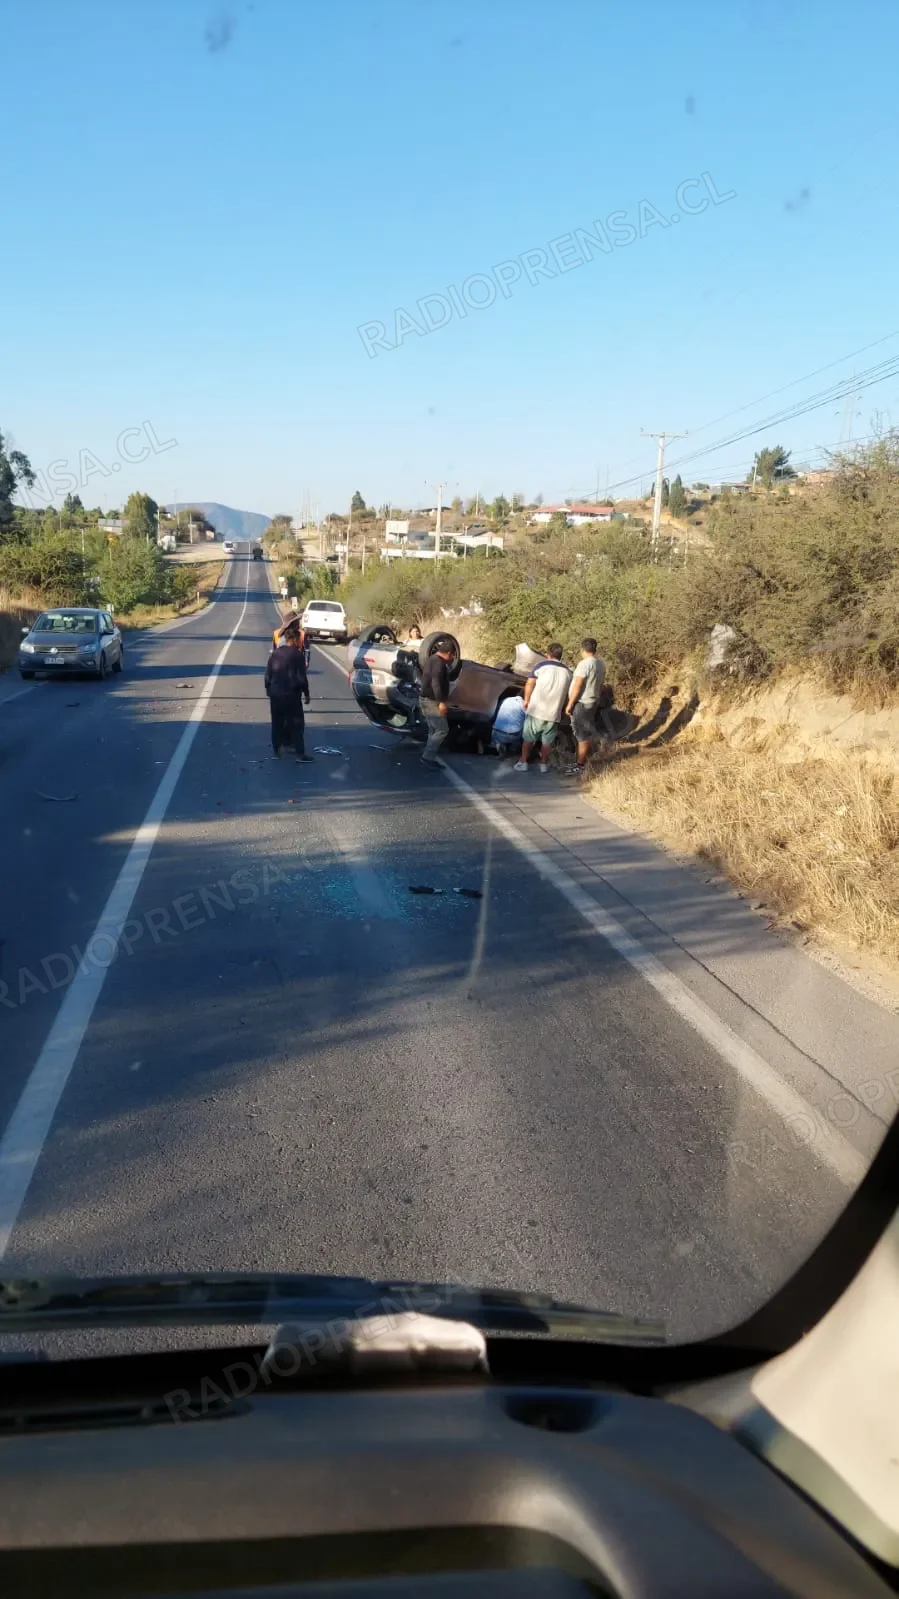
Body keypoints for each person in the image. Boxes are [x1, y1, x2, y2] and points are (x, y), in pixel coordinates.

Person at [514, 643, 571, 773]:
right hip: (553, 713)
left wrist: (527, 700)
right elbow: (567, 693)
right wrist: (563, 708)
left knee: (528, 738)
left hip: (536, 710)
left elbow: (530, 683)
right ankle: (544, 764)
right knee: (547, 741)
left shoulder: (541, 666)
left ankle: (523, 762)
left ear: (548, 654)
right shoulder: (568, 672)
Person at [264, 630, 312, 761]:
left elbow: (268, 674)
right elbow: (302, 678)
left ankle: (276, 751)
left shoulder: (275, 654)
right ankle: (300, 754)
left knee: (277, 722)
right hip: (292, 695)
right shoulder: (298, 656)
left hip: (276, 694)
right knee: (296, 724)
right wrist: (306, 694)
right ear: (294, 640)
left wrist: (268, 689)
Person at [565, 637, 606, 775]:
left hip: (582, 702)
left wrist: (570, 703)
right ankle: (580, 761)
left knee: (581, 733)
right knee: (585, 732)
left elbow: (578, 684)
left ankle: (580, 765)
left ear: (582, 649)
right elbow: (600, 685)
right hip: (593, 701)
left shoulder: (584, 664)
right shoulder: (600, 664)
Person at [418, 643, 454, 770]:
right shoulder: (438, 663)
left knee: (433, 730)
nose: (452, 659)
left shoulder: (432, 659)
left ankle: (429, 757)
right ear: (449, 653)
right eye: (452, 655)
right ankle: (427, 757)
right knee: (442, 730)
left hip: (425, 699)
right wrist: (442, 702)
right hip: (432, 701)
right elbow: (436, 683)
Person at [490, 693, 526, 758]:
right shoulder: (524, 705)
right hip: (512, 736)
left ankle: (498, 746)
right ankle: (513, 749)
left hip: (496, 732)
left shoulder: (506, 699)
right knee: (524, 725)